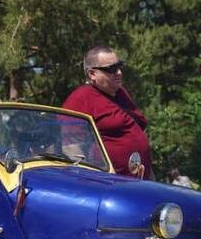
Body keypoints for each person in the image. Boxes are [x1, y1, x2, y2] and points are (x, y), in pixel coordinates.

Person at [62, 46, 153, 180]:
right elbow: (71, 148)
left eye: (119, 66)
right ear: (92, 74)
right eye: (111, 69)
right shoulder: (80, 99)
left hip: (141, 181)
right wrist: (92, 181)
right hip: (110, 187)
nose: (119, 72)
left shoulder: (121, 94)